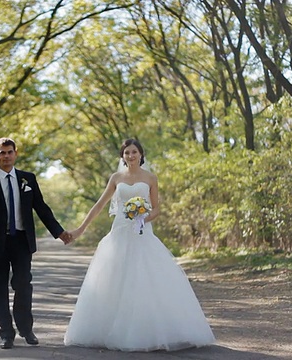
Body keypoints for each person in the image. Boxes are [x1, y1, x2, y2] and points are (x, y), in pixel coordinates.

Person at [64, 138, 215, 352]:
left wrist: (142, 218)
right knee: (115, 278)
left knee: (144, 277)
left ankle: (146, 330)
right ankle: (108, 329)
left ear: (141, 155)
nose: (131, 156)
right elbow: (99, 206)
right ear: (122, 156)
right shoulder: (116, 178)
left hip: (142, 232)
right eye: (127, 153)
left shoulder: (150, 178)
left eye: (134, 152)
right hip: (119, 233)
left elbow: (156, 209)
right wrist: (79, 230)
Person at [0, 137, 73, 349]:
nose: (6, 156)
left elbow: (42, 208)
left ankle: (26, 329)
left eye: (9, 152)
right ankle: (6, 333)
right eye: (2, 152)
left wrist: (59, 232)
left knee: (23, 285)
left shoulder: (28, 179)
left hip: (21, 242)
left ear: (15, 154)